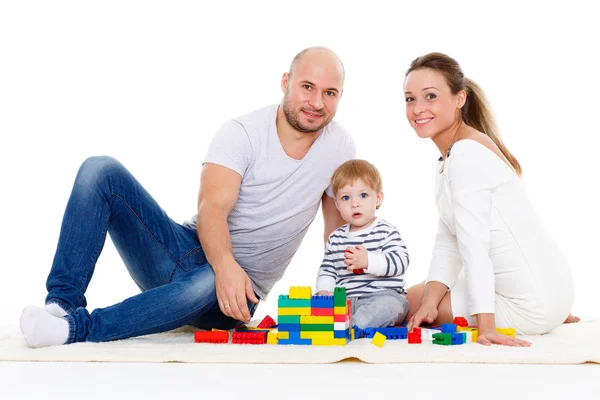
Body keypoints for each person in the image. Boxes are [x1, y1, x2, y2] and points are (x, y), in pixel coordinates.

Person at [19, 46, 356, 348]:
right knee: (100, 170)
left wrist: (341, 298)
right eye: (307, 87)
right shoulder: (242, 133)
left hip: (237, 295)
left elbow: (337, 234)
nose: (317, 102)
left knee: (209, 280)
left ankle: (74, 330)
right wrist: (224, 265)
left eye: (330, 93)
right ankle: (60, 307)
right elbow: (211, 210)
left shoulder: (339, 147)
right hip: (183, 250)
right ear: (286, 82)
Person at [402, 52, 575, 346]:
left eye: (430, 96)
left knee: (401, 307)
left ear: (460, 99)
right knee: (411, 299)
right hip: (548, 288)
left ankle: (544, 310)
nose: (418, 108)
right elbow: (449, 239)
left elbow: (474, 244)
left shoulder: (467, 156)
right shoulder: (449, 157)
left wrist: (486, 326)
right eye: (410, 99)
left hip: (531, 303)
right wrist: (430, 301)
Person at [315, 159, 409, 329]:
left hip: (383, 296)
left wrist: (368, 261)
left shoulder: (385, 231)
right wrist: (324, 292)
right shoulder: (336, 238)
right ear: (336, 204)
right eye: (346, 198)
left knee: (388, 308)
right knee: (314, 305)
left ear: (378, 199)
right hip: (347, 301)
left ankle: (352, 325)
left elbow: (401, 262)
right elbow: (327, 270)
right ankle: (339, 322)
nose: (354, 203)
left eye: (363, 195)